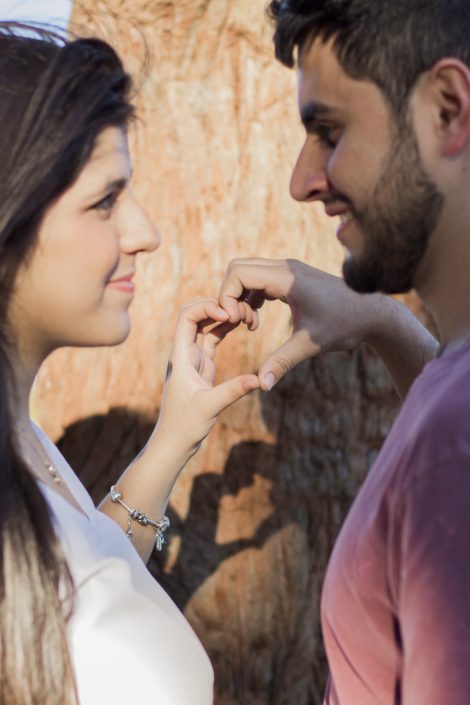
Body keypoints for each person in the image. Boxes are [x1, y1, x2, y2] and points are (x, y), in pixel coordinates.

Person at [0, 23, 260, 705]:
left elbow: (72, 587)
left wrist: (174, 434)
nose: (145, 233)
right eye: (105, 201)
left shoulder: (21, 439)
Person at [217, 1, 470, 703]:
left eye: (328, 131)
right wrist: (385, 323)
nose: (304, 180)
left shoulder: (455, 443)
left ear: (447, 111)